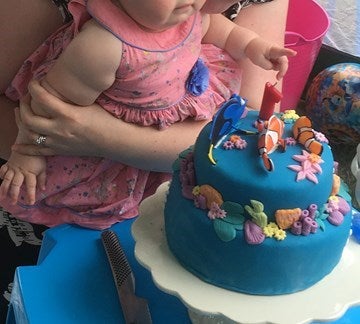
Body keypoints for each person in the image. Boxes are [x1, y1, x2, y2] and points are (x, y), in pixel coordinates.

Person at [0, 0, 294, 230]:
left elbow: (221, 30)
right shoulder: (101, 48)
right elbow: (49, 104)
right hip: (97, 148)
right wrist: (28, 153)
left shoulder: (183, 13)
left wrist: (255, 47)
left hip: (165, 125)